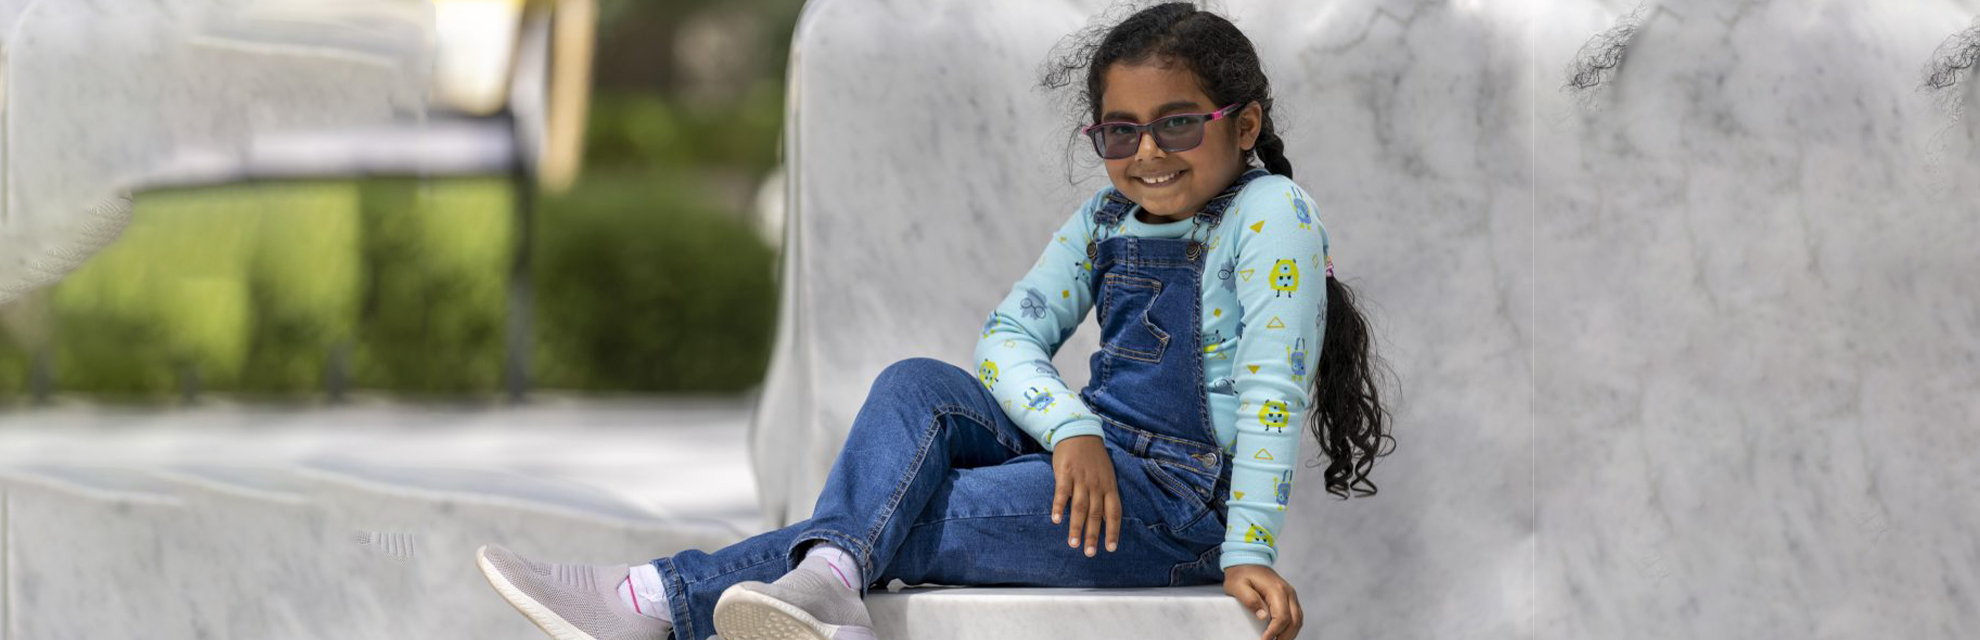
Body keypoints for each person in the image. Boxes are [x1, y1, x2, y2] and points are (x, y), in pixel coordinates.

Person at [473, 3, 1393, 639]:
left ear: (1244, 124)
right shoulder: (1106, 221)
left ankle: (655, 599)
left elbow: (1272, 392)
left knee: (915, 509)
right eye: (1120, 130)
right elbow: (1007, 338)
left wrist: (1246, 551)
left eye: (1179, 123)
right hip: (1095, 458)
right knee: (915, 383)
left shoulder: (1270, 214)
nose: (1148, 151)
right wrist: (1070, 429)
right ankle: (829, 582)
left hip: (1170, 507)